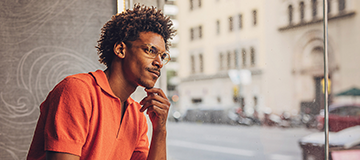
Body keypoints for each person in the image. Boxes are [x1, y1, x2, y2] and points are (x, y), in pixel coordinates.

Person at [27, 4, 176, 160]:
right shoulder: (77, 90)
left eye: (163, 56)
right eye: (150, 50)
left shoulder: (136, 115)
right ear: (120, 50)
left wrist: (160, 130)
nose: (159, 62)